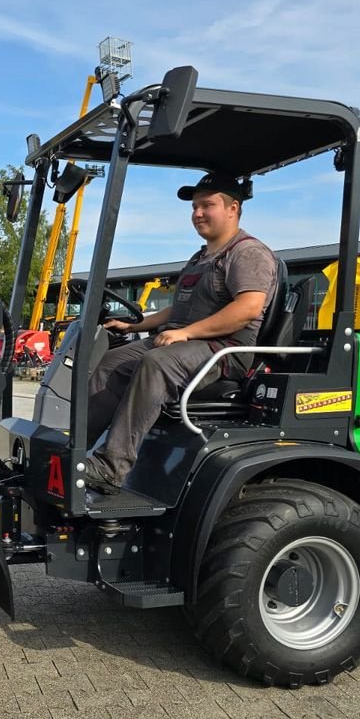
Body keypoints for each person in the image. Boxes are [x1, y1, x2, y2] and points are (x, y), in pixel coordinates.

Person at [83, 172, 278, 494]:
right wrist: (136, 326)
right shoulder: (201, 257)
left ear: (233, 208)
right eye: (194, 207)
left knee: (157, 363)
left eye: (207, 205)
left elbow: (248, 308)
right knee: (111, 362)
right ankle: (75, 450)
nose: (198, 213)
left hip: (223, 350)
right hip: (185, 341)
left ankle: (110, 467)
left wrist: (187, 333)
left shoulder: (248, 253)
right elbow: (178, 309)